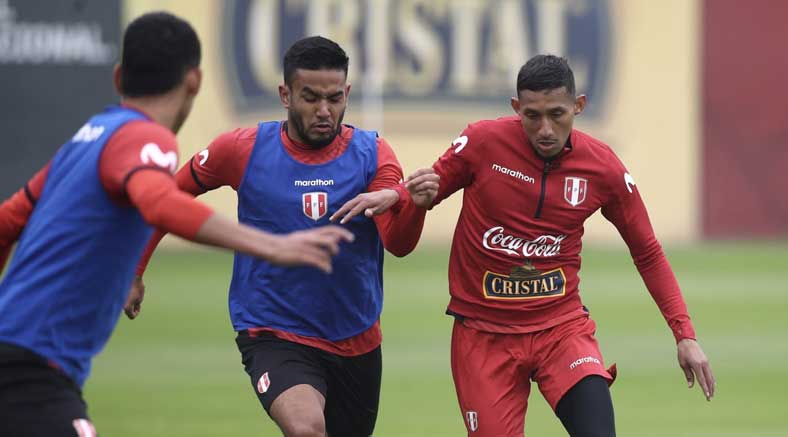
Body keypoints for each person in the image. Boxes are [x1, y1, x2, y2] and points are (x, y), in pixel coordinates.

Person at [0, 13, 351, 437]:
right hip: (32, 370)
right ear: (194, 82)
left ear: (118, 77)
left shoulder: (88, 136)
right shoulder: (146, 138)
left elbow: (6, 223)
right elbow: (159, 201)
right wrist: (273, 246)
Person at [333, 54, 715, 436]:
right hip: (484, 336)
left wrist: (685, 334)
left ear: (579, 106)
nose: (545, 128)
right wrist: (404, 198)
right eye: (532, 116)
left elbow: (647, 251)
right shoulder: (482, 143)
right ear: (516, 108)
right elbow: (410, 225)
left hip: (561, 329)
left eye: (557, 114)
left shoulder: (603, 168)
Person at [127, 36, 437, 437]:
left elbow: (398, 244)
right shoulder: (241, 150)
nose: (324, 110)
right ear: (285, 95)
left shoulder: (373, 154)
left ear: (347, 94)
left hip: (356, 337)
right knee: (307, 428)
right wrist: (134, 270)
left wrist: (416, 206)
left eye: (334, 98)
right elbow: (165, 198)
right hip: (273, 330)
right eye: (310, 97)